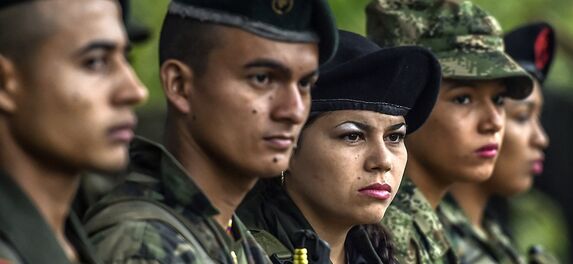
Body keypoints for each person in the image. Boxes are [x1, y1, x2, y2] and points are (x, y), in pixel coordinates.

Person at [83, 0, 338, 263]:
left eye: (305, 84)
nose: (294, 110)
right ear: (180, 85)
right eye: (261, 78)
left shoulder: (229, 235)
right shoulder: (144, 245)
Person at [238, 30, 441, 264]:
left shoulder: (377, 253)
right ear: (287, 146)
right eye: (353, 136)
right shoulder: (238, 252)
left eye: (394, 137)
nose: (383, 161)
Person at [366, 0, 534, 262]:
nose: (494, 122)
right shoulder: (382, 236)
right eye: (463, 99)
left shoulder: (439, 226)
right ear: (405, 102)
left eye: (499, 100)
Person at [0, 0, 148, 263]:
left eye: (127, 59)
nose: (135, 91)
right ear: (5, 84)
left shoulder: (68, 243)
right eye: (95, 63)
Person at [439, 22, 560, 264]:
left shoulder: (494, 236)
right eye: (523, 117)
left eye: (497, 101)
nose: (542, 139)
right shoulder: (414, 242)